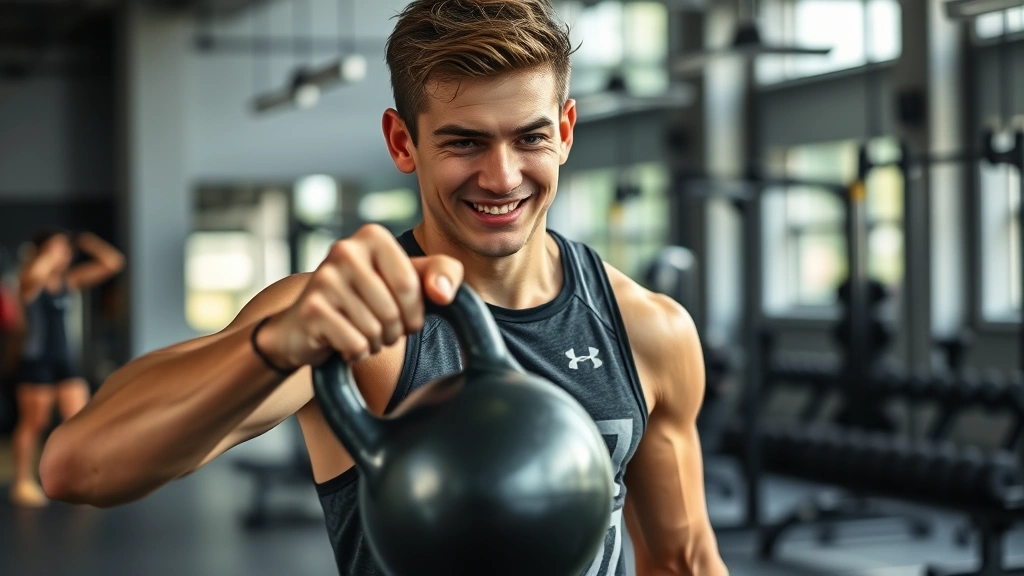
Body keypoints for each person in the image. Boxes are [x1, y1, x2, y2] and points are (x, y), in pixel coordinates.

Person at [40, 1, 728, 573]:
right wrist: (273, 347)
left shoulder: (646, 329)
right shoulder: (353, 325)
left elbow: (683, 557)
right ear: (403, 143)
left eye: (529, 138)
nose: (501, 176)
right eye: (463, 142)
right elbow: (79, 468)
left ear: (566, 131)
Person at [10, 229, 124, 507]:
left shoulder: (68, 281)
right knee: (34, 423)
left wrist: (89, 242)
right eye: (57, 249)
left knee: (79, 423)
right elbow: (34, 274)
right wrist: (48, 253)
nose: (65, 253)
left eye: (65, 249)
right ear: (42, 254)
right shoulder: (29, 282)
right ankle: (22, 482)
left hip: (65, 360)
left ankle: (79, 480)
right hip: (36, 361)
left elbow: (113, 263)